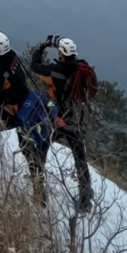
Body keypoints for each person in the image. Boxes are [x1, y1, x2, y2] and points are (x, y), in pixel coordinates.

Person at [0, 29, 49, 205]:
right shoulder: (11, 55)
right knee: (28, 149)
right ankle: (40, 193)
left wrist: (0, 111)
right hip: (26, 103)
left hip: (12, 111)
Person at [31, 37, 94, 212]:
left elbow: (35, 66)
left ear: (61, 53)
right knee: (80, 159)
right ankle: (85, 199)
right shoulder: (83, 68)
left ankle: (39, 190)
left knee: (39, 149)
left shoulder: (57, 70)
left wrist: (41, 48)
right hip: (77, 121)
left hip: (59, 119)